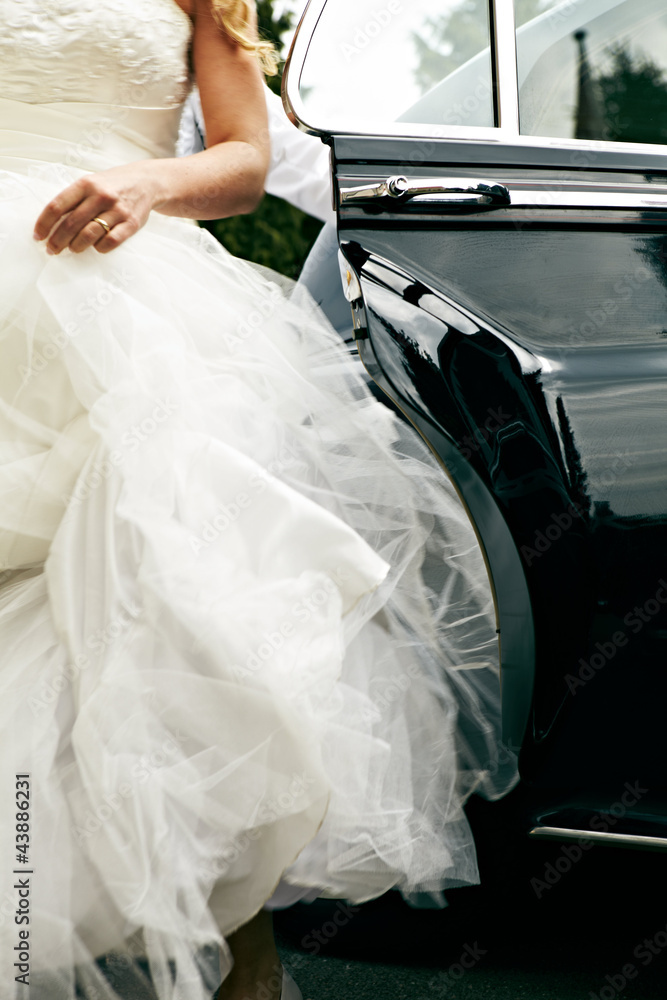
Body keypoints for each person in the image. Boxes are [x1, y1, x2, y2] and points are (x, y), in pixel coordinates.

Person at [0, 2, 517, 999]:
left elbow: (244, 159)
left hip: (139, 315)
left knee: (195, 629)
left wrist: (149, 180)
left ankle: (243, 968)